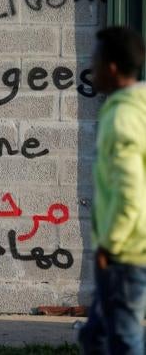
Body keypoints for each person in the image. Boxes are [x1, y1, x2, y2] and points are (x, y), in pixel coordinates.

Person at [78, 26, 146, 354]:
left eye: (95, 60)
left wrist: (111, 244)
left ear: (112, 67)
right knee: (98, 335)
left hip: (125, 252)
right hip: (130, 248)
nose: (91, 67)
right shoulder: (136, 107)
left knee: (124, 340)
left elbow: (130, 190)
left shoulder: (122, 118)